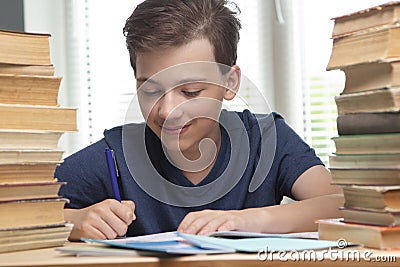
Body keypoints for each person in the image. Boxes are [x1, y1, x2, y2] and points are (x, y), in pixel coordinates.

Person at [56, 0, 343, 241]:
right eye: (150, 90)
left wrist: (246, 221)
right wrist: (75, 221)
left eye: (190, 92)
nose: (167, 111)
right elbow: (14, 214)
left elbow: (341, 206)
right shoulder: (116, 155)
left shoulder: (266, 138)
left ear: (230, 83)